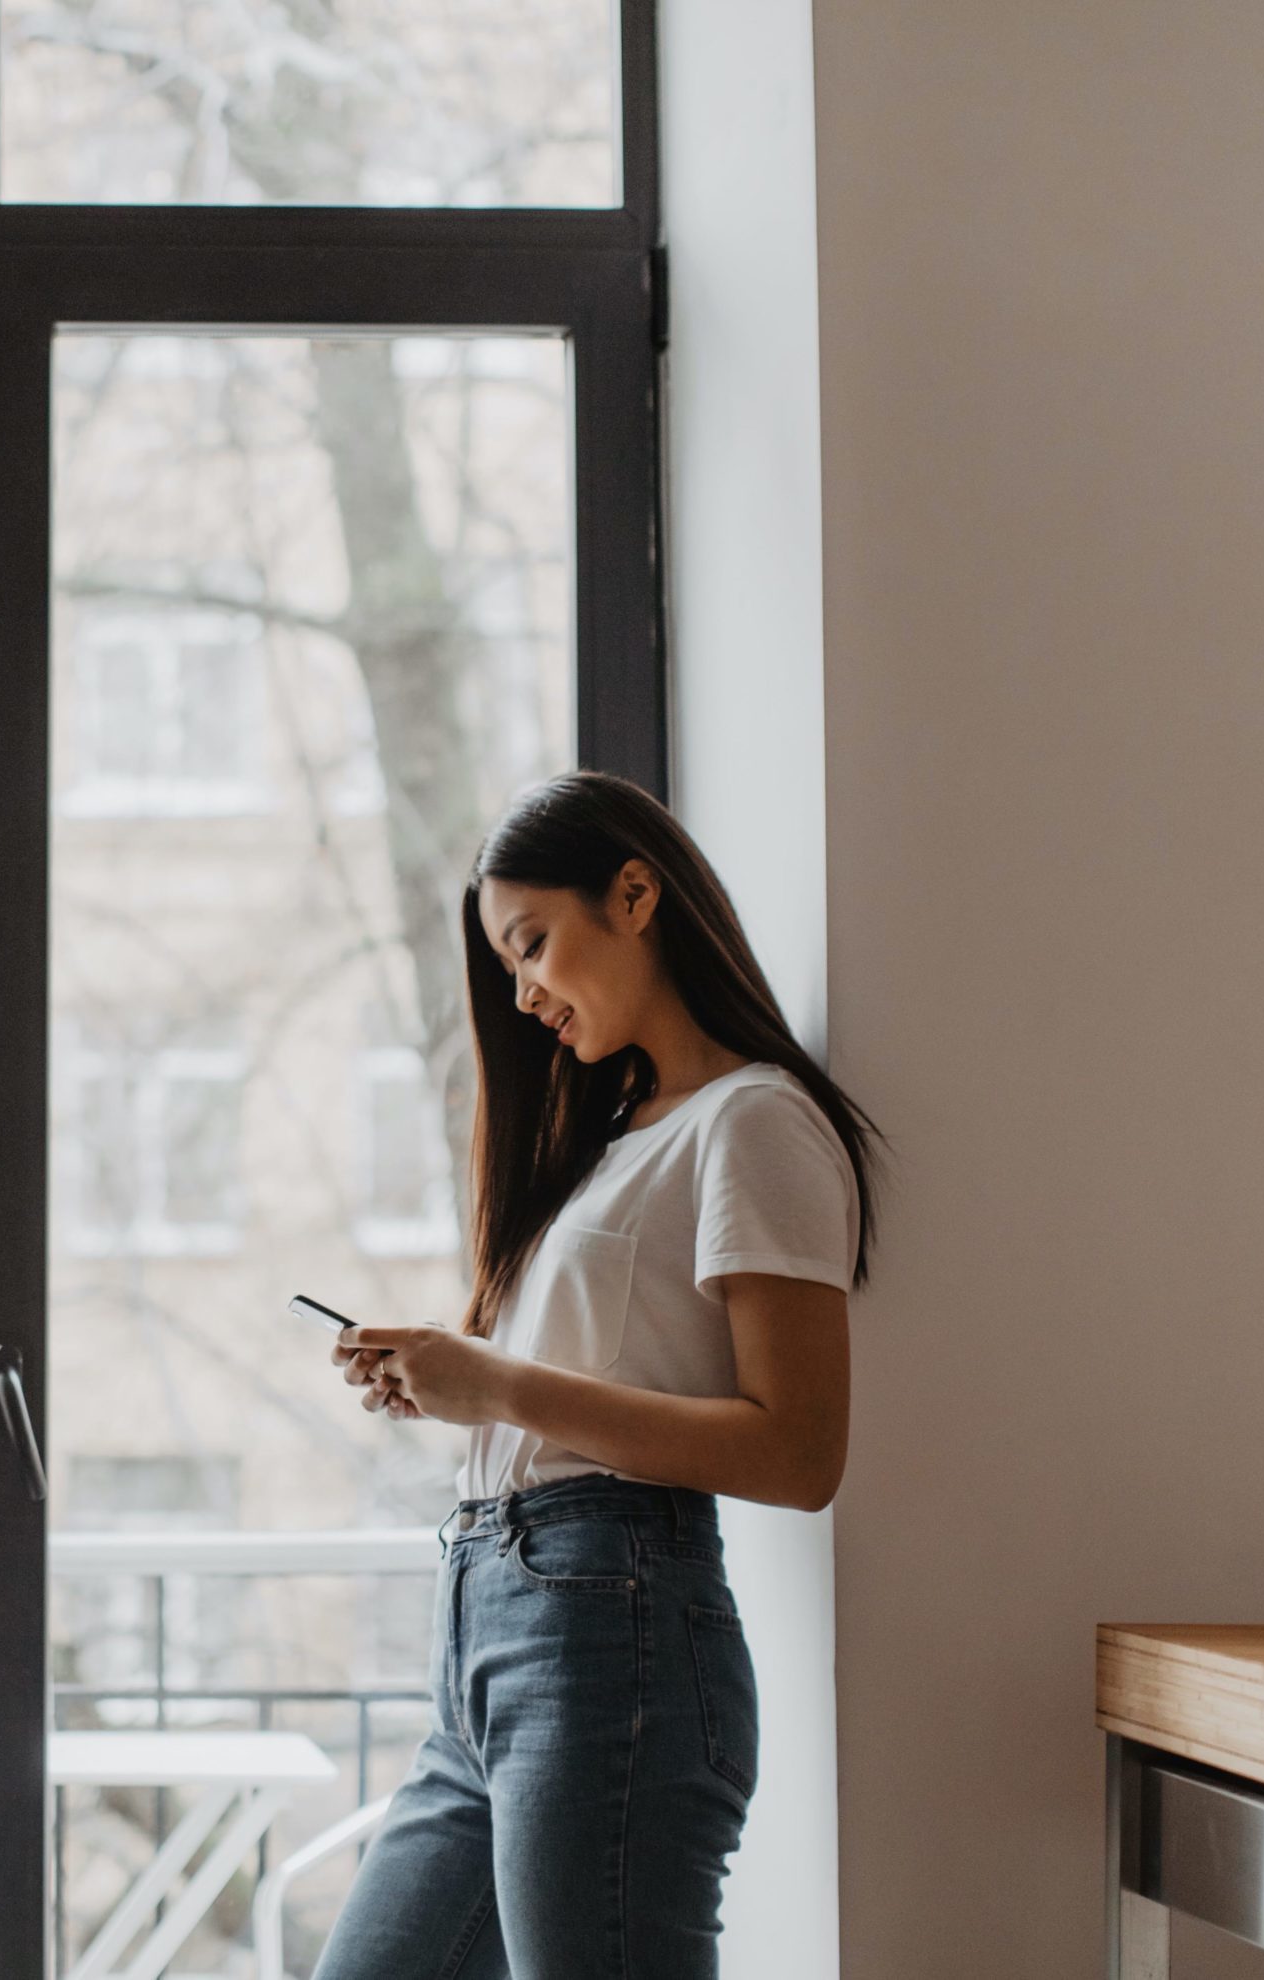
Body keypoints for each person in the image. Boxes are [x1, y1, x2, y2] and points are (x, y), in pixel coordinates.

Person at [313, 771, 880, 1980]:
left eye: (532, 945)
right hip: (489, 1628)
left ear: (634, 893)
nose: (522, 996)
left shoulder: (752, 1123)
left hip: (606, 1627)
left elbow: (797, 1452)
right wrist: (453, 1382)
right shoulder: (610, 1139)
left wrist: (502, 1389)